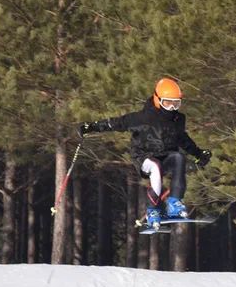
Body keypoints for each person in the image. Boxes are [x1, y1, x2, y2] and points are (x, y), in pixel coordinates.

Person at [78, 77, 211, 229]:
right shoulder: (142, 118)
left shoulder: (178, 119)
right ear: (157, 99)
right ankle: (152, 210)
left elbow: (183, 139)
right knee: (155, 166)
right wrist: (92, 127)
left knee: (179, 157)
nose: (172, 108)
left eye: (176, 103)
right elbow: (116, 123)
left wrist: (199, 153)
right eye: (167, 103)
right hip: (144, 158)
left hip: (166, 156)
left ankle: (175, 202)